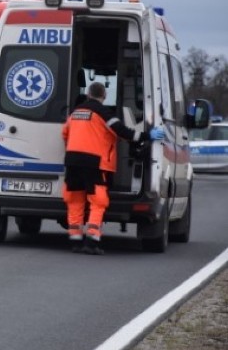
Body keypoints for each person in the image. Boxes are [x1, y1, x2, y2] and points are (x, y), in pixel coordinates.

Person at [61, 82, 165, 255]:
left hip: (72, 160)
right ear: (104, 95)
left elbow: (64, 133)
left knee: (74, 199)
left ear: (88, 94)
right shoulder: (104, 113)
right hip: (94, 163)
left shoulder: (75, 113)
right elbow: (125, 133)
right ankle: (92, 241)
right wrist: (148, 135)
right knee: (98, 200)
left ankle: (75, 240)